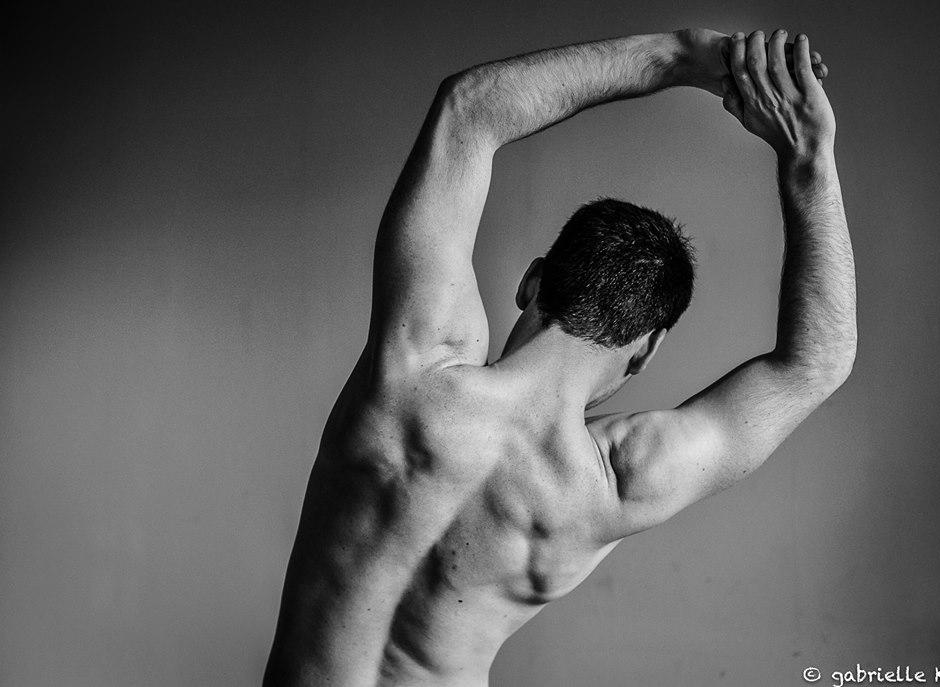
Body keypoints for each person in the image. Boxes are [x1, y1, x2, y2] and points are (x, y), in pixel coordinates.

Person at [263, 27, 856, 687]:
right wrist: (809, 156)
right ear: (646, 349)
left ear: (533, 281)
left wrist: (686, 56)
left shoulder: (418, 373)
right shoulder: (613, 483)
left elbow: (469, 109)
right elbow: (815, 364)